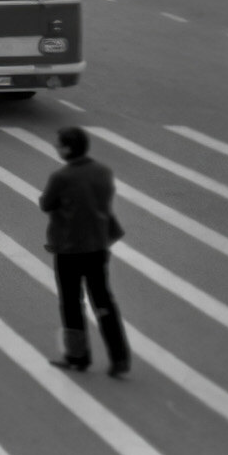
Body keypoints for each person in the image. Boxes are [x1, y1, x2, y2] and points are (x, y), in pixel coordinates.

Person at [41, 126, 131, 377]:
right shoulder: (103, 172)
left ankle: (77, 357)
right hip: (97, 247)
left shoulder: (62, 177)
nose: (57, 148)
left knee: (71, 303)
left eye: (59, 144)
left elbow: (46, 203)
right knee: (103, 301)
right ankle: (120, 358)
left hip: (69, 249)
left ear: (68, 149)